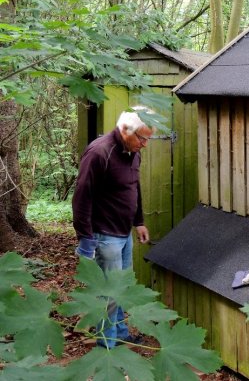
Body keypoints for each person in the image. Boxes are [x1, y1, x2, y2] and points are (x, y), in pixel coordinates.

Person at [72, 108, 154, 348]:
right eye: (142, 138)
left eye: (148, 138)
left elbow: (133, 188)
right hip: (103, 235)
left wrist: (138, 221)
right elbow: (81, 197)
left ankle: (120, 332)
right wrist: (85, 239)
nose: (146, 144)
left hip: (124, 232)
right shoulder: (99, 152)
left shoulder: (133, 151)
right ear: (125, 130)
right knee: (108, 292)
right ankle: (107, 344)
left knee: (121, 288)